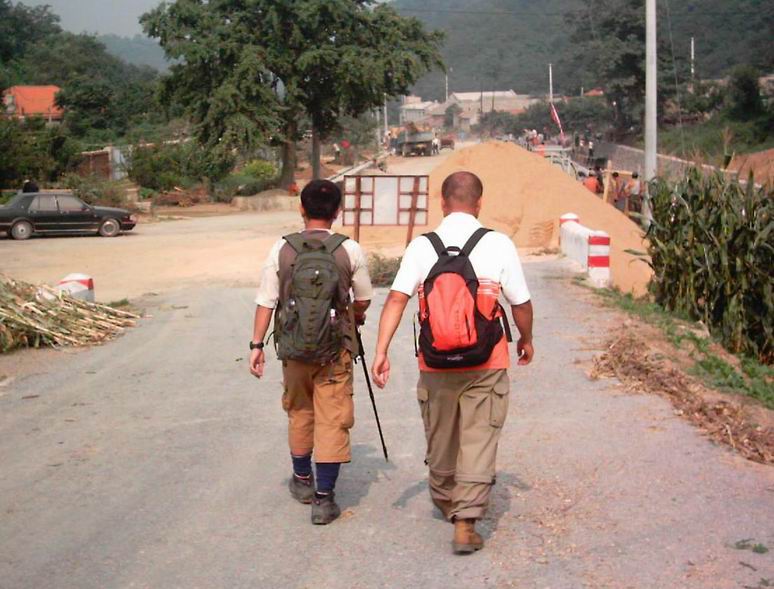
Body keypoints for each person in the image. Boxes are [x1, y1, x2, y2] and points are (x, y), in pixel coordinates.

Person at [371, 171, 534, 554]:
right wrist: (526, 339)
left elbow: (396, 299)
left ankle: (447, 501)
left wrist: (381, 351)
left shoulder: (422, 246)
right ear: (479, 203)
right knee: (479, 435)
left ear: (442, 203)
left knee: (441, 435)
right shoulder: (498, 243)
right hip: (487, 360)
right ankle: (466, 520)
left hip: (435, 361)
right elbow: (521, 302)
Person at [250, 179, 373, 525]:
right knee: (332, 418)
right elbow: (363, 298)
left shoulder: (282, 248)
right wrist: (354, 317)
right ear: (338, 211)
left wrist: (257, 345)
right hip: (335, 351)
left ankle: (303, 480)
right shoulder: (349, 249)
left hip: (293, 349)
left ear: (301, 209)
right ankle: (324, 499)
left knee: (300, 411)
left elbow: (266, 300)